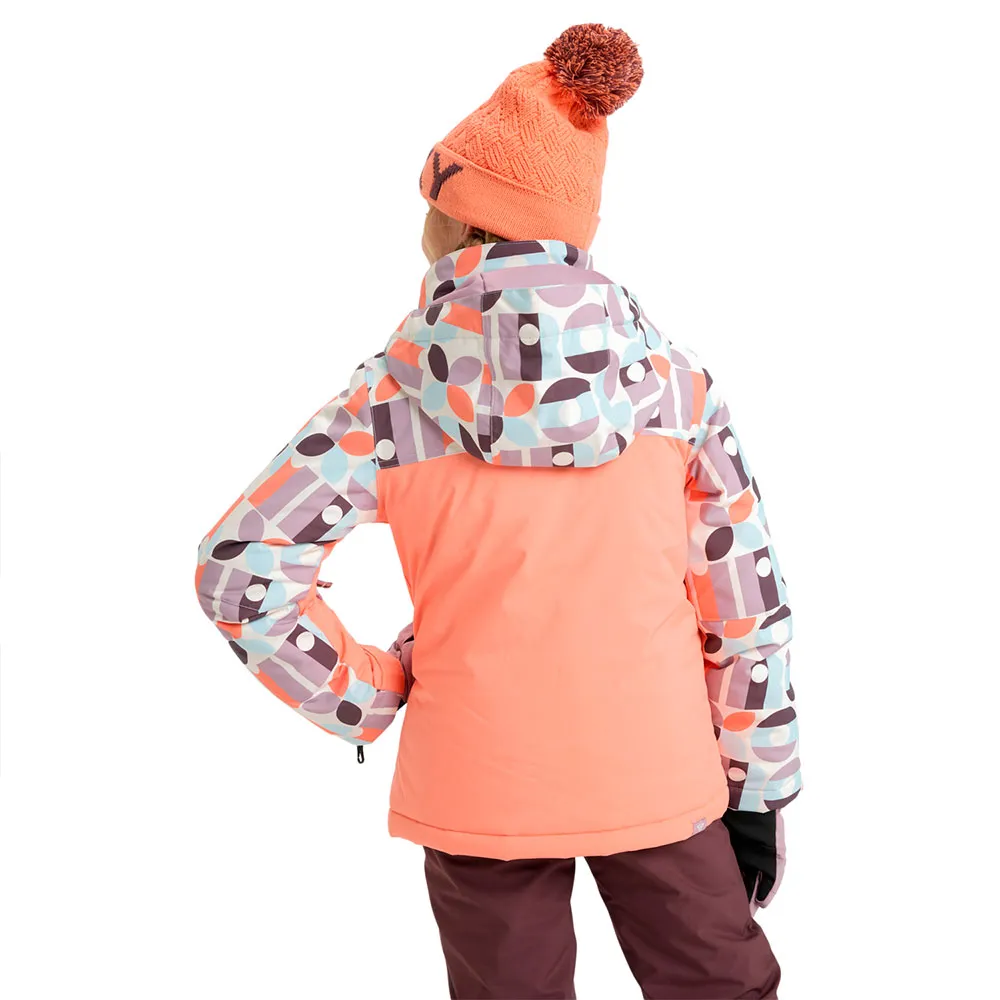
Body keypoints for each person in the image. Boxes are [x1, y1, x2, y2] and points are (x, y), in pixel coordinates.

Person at [194, 23, 801, 1000]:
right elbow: (746, 608)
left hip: (476, 776)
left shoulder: (385, 402)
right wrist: (758, 783)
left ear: (457, 221)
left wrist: (370, 691)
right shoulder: (674, 389)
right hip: (657, 766)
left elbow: (240, 571)